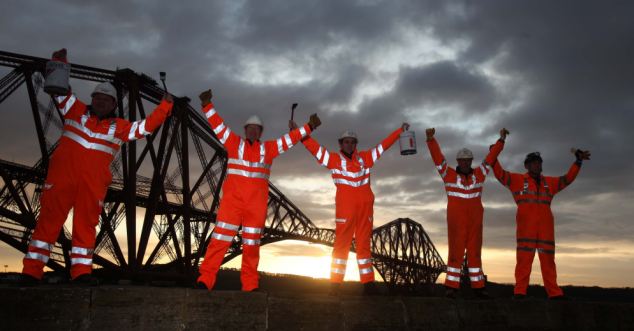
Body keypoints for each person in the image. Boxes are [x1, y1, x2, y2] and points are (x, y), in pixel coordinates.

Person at [22, 48, 174, 285]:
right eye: (98, 98)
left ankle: (81, 273)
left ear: (113, 104)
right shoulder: (74, 109)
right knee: (47, 226)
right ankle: (32, 272)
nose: (101, 102)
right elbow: (59, 88)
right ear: (92, 99)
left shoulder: (119, 127)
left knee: (85, 228)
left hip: (91, 186)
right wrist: (59, 62)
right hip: (61, 180)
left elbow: (145, 127)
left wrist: (164, 107)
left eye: (107, 100)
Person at [196, 89, 321, 291]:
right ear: (245, 130)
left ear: (260, 132)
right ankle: (205, 279)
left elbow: (288, 140)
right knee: (219, 240)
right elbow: (218, 126)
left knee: (252, 247)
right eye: (250, 129)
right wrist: (207, 105)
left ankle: (250, 285)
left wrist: (308, 127)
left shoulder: (268, 149)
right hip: (232, 204)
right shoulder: (233, 143)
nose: (253, 132)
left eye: (257, 129)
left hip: (255, 207)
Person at [290, 120, 409, 295]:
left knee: (364, 246)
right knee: (341, 246)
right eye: (346, 142)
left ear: (356, 145)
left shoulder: (366, 158)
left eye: (352, 142)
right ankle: (335, 285)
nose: (350, 145)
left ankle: (368, 284)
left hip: (365, 210)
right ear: (340, 144)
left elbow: (383, 146)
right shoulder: (333, 159)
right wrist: (299, 133)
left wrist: (399, 131)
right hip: (345, 210)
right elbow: (314, 147)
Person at [492, 148, 591, 299]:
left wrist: (578, 162)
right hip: (526, 230)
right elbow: (499, 173)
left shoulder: (549, 183)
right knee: (523, 262)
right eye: (534, 163)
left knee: (548, 263)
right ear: (527, 166)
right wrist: (494, 152)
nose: (537, 165)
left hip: (546, 230)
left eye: (539, 163)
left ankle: (554, 293)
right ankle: (519, 292)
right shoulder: (518, 180)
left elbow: (567, 179)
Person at [426, 127, 509, 298]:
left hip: (475, 223)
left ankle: (478, 287)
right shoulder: (448, 174)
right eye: (462, 160)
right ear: (458, 161)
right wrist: (430, 140)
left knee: (475, 255)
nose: (465, 163)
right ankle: (451, 287)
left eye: (468, 160)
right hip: (457, 223)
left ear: (471, 161)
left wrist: (500, 141)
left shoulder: (480, 174)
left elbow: (490, 158)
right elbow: (438, 159)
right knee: (455, 254)